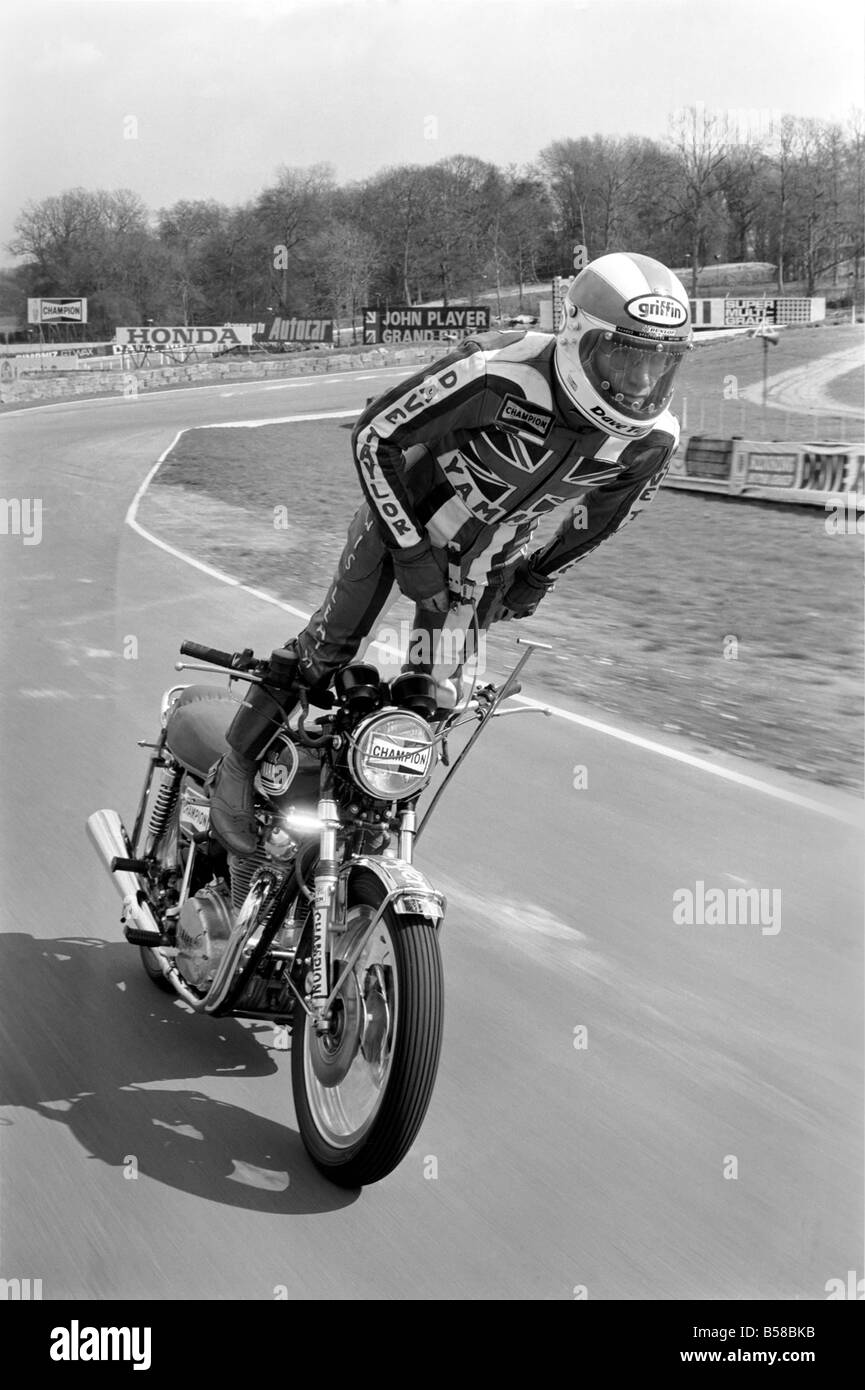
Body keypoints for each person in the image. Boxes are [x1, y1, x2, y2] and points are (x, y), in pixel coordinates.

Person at [208, 251, 693, 856]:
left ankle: (371, 828)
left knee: (434, 698)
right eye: (625, 355)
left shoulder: (654, 438)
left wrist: (539, 575)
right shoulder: (496, 369)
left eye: (659, 362)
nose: (641, 382)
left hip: (482, 564)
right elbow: (373, 435)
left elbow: (604, 520)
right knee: (329, 650)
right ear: (577, 338)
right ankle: (236, 763)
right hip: (400, 522)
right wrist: (412, 552)